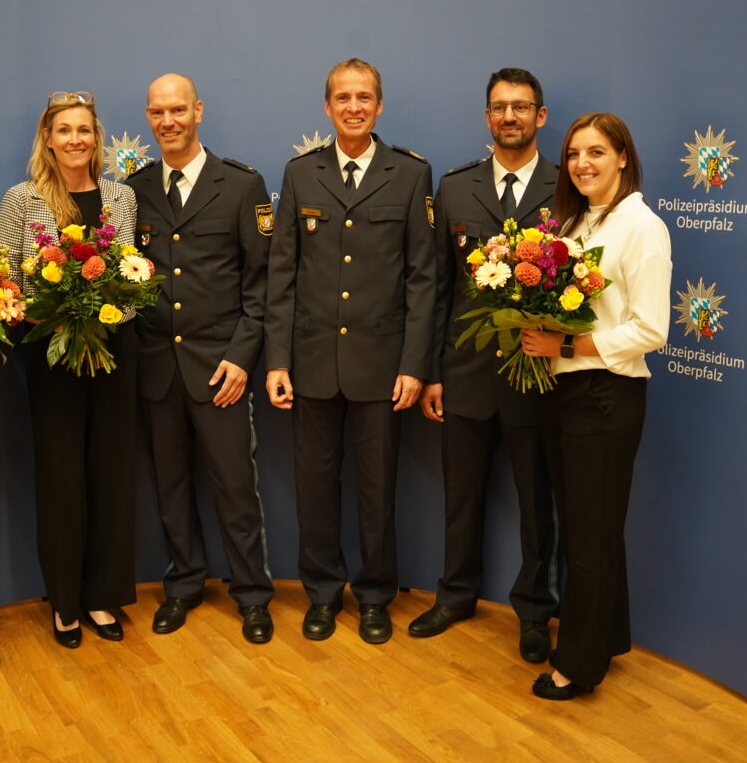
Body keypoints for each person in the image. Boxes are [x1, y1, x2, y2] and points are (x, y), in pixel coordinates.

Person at [265, 59, 435, 644]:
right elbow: (281, 272)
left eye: (364, 97)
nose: (354, 107)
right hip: (311, 361)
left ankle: (374, 596)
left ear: (380, 106)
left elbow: (422, 279)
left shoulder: (410, 175)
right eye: (343, 97)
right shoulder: (300, 174)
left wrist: (415, 365)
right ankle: (320, 593)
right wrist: (278, 361)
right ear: (327, 107)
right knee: (314, 487)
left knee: (376, 489)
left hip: (382, 366)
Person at [520, 112, 672, 699]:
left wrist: (571, 344)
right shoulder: (578, 222)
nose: (583, 163)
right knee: (592, 531)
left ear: (623, 158)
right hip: (565, 393)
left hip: (606, 396)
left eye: (597, 153)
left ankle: (577, 666)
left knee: (589, 535)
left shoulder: (642, 227)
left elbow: (652, 328)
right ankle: (605, 638)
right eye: (575, 153)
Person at [413, 68, 560, 663]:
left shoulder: (567, 185)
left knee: (536, 502)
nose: (509, 118)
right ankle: (456, 595)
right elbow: (437, 290)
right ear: (486, 117)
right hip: (465, 372)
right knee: (461, 496)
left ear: (540, 117)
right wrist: (431, 372)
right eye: (499, 108)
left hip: (540, 376)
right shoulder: (455, 188)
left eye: (521, 108)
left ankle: (534, 611)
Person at [128, 74, 276, 643]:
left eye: (178, 111)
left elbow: (261, 284)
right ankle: (184, 584)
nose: (169, 122)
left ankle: (253, 595)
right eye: (159, 112)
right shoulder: (134, 189)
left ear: (198, 111)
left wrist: (242, 359)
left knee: (236, 487)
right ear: (148, 116)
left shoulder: (240, 185)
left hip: (221, 369)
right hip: (157, 367)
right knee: (171, 488)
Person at [0, 92, 138, 647]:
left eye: (85, 130)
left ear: (96, 138)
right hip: (51, 354)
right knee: (61, 480)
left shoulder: (120, 196)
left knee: (111, 474)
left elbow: (128, 269)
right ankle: (64, 602)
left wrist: (101, 312)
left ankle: (102, 596)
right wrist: (55, 313)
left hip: (111, 351)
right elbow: (8, 278)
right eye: (65, 130)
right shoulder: (21, 199)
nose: (76, 139)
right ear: (47, 139)